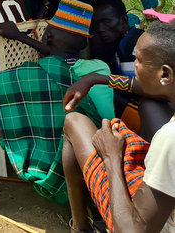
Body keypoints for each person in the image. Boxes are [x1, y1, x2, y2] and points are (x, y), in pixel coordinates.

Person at [0, 0, 114, 209]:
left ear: (48, 36)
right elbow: (59, 61)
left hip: (55, 180)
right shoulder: (100, 69)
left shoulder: (29, 74)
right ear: (83, 43)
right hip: (96, 174)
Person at [62, 21, 175, 233]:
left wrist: (111, 157)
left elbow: (131, 231)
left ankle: (80, 227)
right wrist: (95, 78)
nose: (134, 65)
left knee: (74, 122)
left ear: (165, 74)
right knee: (149, 104)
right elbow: (145, 87)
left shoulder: (170, 138)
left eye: (139, 60)